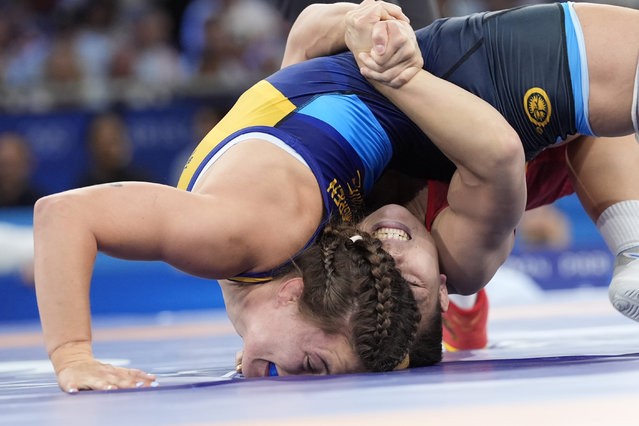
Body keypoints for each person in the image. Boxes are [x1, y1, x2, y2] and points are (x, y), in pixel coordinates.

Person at [34, 2, 525, 392]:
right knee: (460, 263)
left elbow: (300, 49)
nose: (288, 378)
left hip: (371, 104)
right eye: (309, 366)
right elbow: (63, 213)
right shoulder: (247, 236)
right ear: (293, 294)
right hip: (408, 87)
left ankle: (453, 310)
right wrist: (73, 355)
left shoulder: (261, 248)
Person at [280, 0, 639, 355]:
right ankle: (634, 246)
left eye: (373, 276)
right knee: (593, 109)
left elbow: (304, 41)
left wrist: (367, 22)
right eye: (410, 283)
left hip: (429, 116)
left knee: (363, 44)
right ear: (441, 289)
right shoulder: (460, 258)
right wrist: (396, 75)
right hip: (528, 147)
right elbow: (499, 151)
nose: (390, 257)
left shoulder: (313, 212)